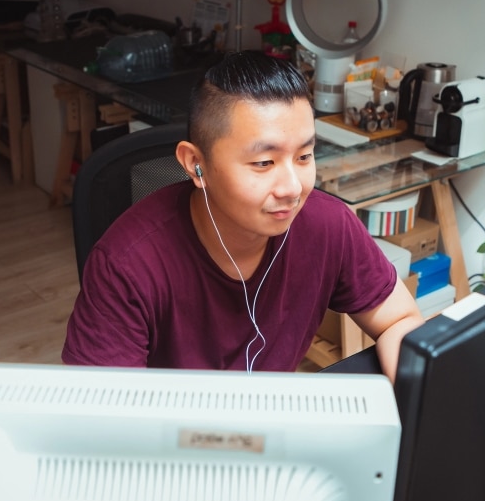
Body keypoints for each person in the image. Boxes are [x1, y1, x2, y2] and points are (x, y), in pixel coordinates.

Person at [62, 50, 424, 381]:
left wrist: (418, 404)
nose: (292, 188)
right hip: (175, 443)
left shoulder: (328, 226)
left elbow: (401, 320)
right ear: (196, 164)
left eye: (304, 157)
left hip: (274, 431)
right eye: (263, 162)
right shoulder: (126, 266)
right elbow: (103, 417)